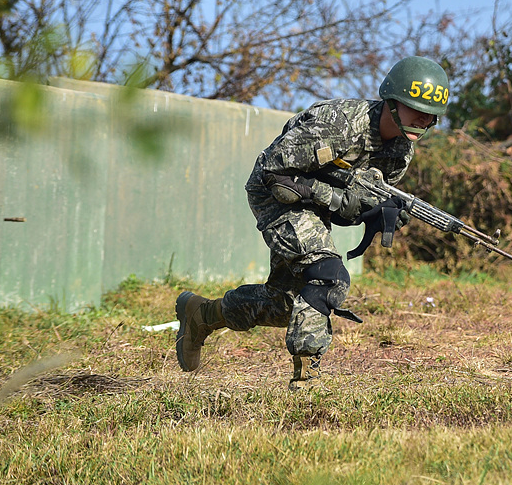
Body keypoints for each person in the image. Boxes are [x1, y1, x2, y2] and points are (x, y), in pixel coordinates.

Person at [174, 56, 450, 389]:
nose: (423, 117)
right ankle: (306, 382)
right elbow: (274, 172)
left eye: (430, 114)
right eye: (413, 106)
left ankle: (201, 316)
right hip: (274, 194)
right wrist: (339, 199)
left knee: (286, 305)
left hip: (310, 207)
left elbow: (343, 212)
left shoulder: (399, 153)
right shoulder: (338, 123)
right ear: (392, 102)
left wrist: (374, 213)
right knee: (327, 278)